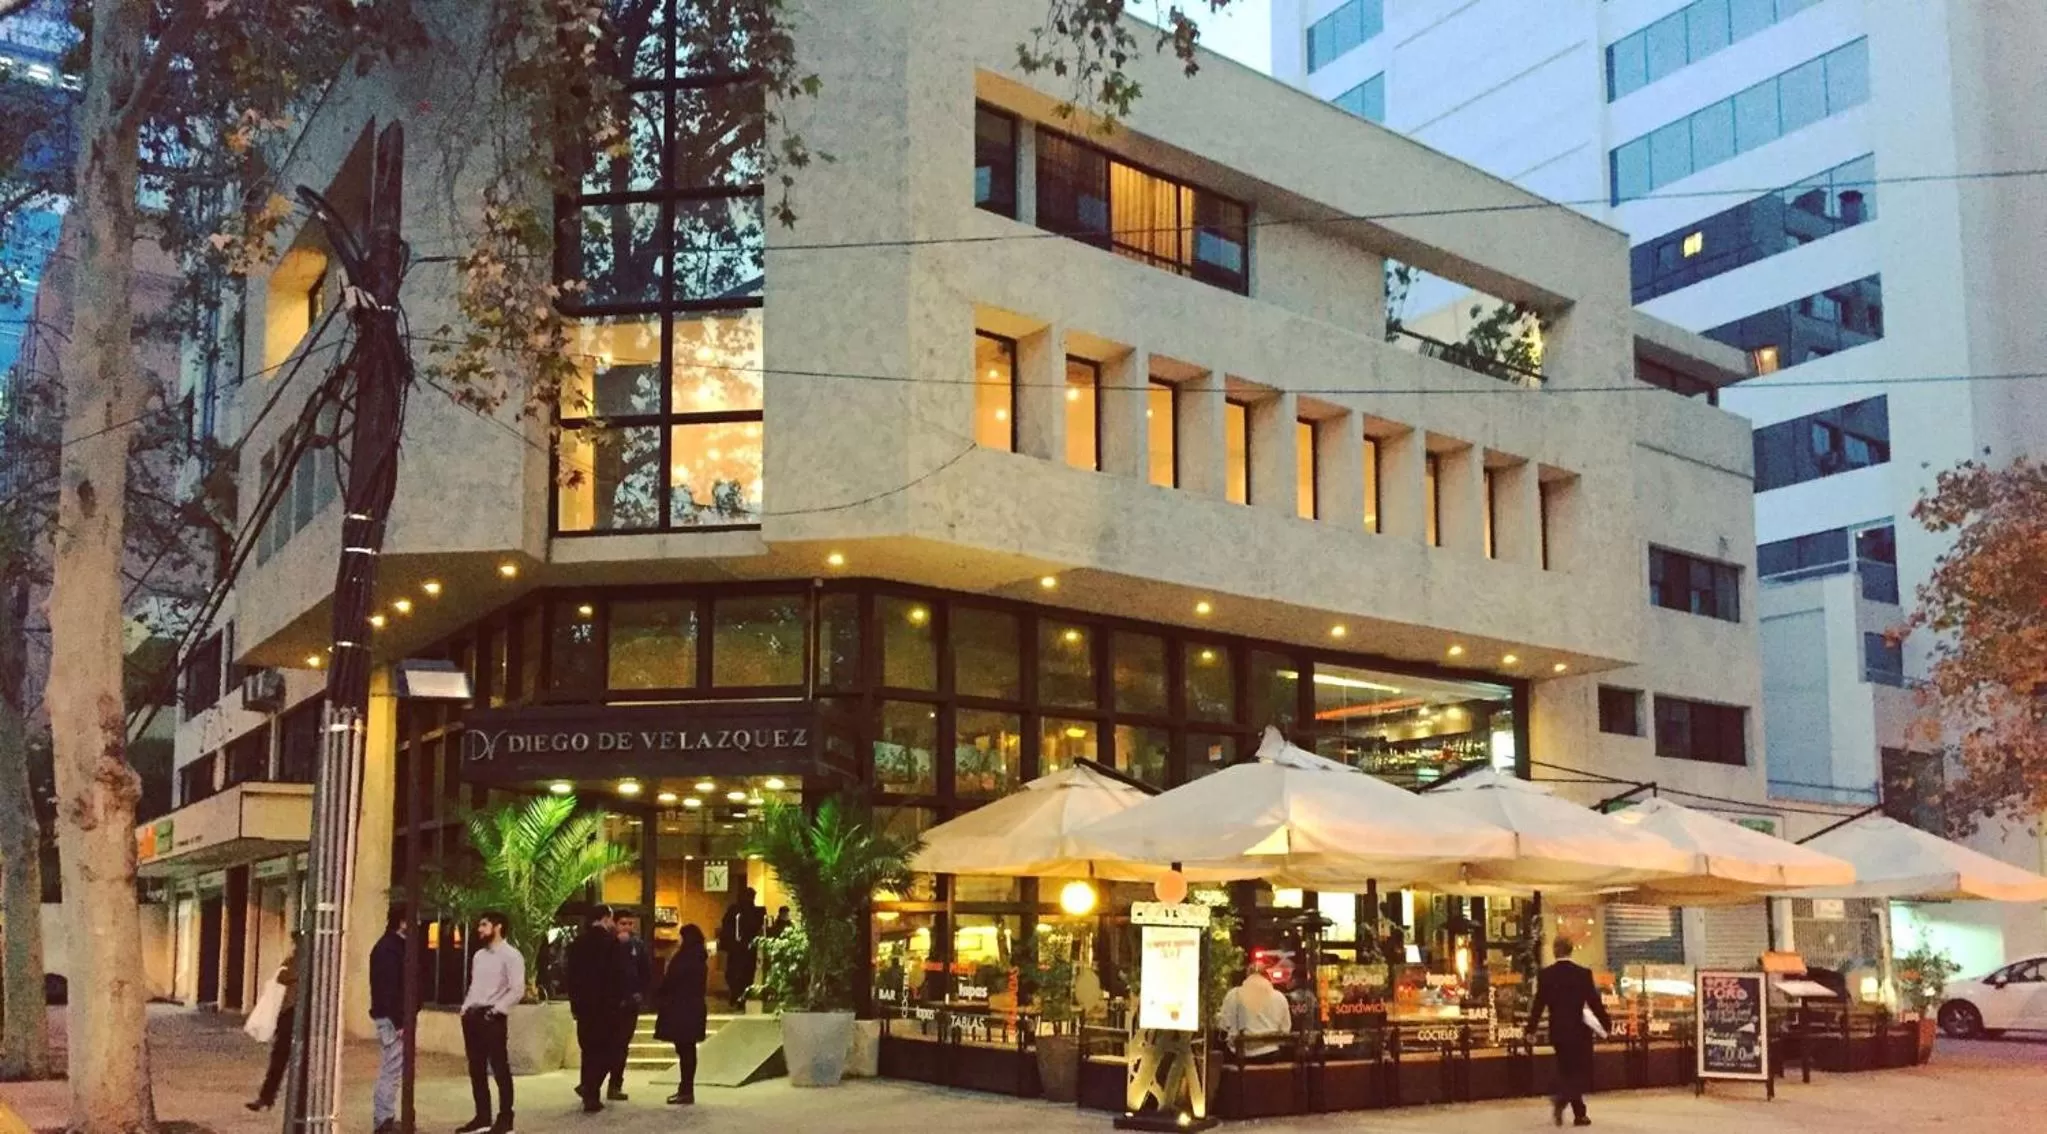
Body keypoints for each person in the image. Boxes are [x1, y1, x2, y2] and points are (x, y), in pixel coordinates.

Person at [1527, 937, 1611, 1128]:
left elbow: (1538, 1005)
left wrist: (1530, 1028)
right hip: (1579, 1031)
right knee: (1580, 1072)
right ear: (1571, 950)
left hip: (1557, 1031)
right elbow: (1594, 1002)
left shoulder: (1546, 975)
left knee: (1566, 1070)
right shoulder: (1582, 974)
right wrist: (1606, 1024)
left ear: (1555, 951)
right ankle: (1561, 1098)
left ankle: (1580, 1114)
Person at [457, 911, 524, 1134]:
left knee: (499, 1068)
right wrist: (465, 1008)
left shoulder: (512, 956)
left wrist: (497, 1010)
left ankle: (505, 1118)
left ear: (497, 927)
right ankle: (482, 1116)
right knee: (476, 1068)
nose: (479, 929)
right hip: (473, 1016)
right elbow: (475, 986)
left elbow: (517, 989)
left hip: (492, 1017)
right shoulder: (478, 956)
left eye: (484, 925)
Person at [565, 905, 626, 1112]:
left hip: (584, 1007)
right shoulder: (611, 944)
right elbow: (618, 976)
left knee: (589, 1051)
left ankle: (589, 1095)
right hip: (606, 1007)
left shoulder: (577, 944)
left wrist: (575, 1003)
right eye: (610, 919)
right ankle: (590, 1087)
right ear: (605, 919)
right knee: (610, 1050)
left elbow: (571, 976)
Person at [652, 924, 709, 1106]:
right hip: (694, 1009)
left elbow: (671, 981)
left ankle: (685, 1090)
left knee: (685, 1050)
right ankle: (686, 1089)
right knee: (688, 1050)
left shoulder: (684, 959)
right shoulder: (700, 959)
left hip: (681, 1010)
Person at [247, 933, 301, 1111]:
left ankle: (267, 1097)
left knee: (281, 1058)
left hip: (293, 1013)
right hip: (289, 1014)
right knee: (280, 1058)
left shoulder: (300, 960)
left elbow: (284, 976)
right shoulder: (295, 959)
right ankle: (267, 1097)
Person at [369, 910, 411, 1134]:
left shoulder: (390, 946)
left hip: (392, 1017)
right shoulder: (390, 949)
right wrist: (400, 1021)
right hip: (393, 1019)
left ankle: (385, 1117)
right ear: (402, 922)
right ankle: (384, 1119)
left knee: (393, 1068)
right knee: (391, 1069)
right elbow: (388, 988)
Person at [607, 913, 654, 1101]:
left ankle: (615, 1084)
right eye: (622, 923)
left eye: (630, 924)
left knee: (622, 1046)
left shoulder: (638, 946)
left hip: (630, 1004)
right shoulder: (609, 945)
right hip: (610, 1004)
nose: (626, 927)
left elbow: (645, 972)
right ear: (614, 924)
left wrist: (641, 994)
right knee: (608, 1045)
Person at [1215, 964, 1293, 1064]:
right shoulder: (1279, 997)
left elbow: (1224, 1025)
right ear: (1266, 977)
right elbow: (1285, 1030)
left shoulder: (1234, 994)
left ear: (1247, 976)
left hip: (1239, 1055)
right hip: (1270, 1055)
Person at [716, 888, 766, 1006]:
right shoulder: (750, 912)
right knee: (743, 973)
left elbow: (726, 927)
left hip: (739, 947)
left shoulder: (737, 911)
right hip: (745, 947)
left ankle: (738, 995)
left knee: (736, 972)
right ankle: (740, 995)